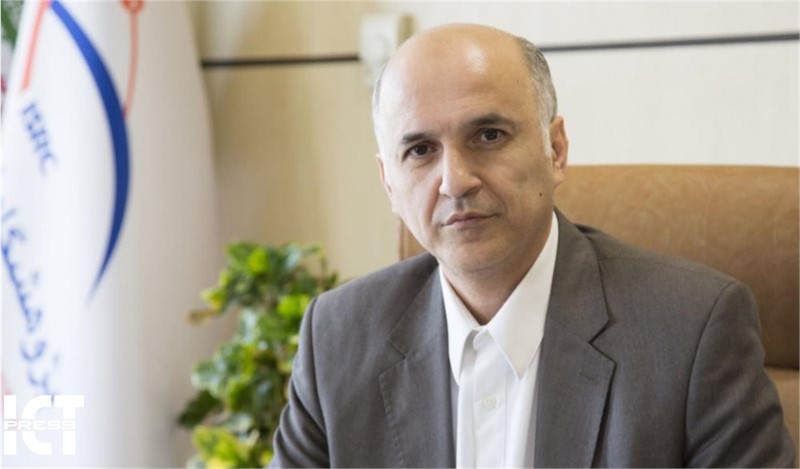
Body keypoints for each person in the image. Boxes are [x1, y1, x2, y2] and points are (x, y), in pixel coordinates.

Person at [270, 24, 795, 467]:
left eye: (489, 135)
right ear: (389, 182)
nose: (455, 181)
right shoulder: (337, 339)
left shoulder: (691, 331)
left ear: (556, 150)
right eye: (421, 149)